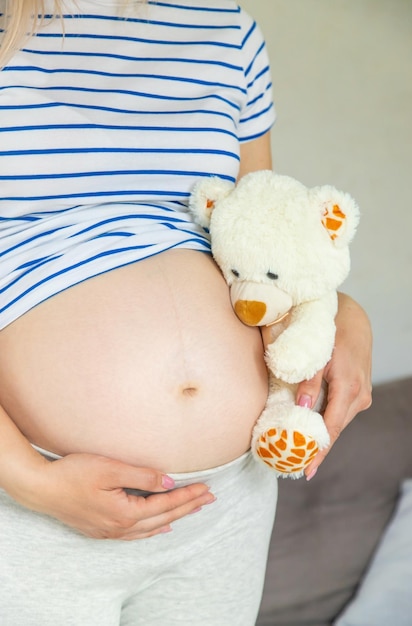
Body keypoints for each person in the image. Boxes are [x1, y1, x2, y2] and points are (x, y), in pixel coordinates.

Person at [0, 1, 372, 624]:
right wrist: (29, 480)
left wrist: (349, 320)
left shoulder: (225, 29)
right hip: (34, 500)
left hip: (226, 506)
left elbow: (260, 237)